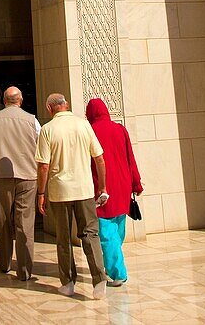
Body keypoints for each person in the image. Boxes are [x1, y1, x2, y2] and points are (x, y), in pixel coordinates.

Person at [35, 93, 108, 299]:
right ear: (66, 105)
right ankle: (99, 279)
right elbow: (100, 159)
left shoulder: (48, 129)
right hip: (84, 189)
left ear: (50, 109)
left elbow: (43, 166)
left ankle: (68, 282)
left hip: (60, 191)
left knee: (64, 238)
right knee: (90, 234)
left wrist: (41, 192)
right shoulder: (84, 125)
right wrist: (101, 187)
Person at [0, 85, 40, 280]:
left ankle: (4, 263)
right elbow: (41, 148)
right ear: (20, 101)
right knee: (25, 223)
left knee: (3, 220)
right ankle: (25, 269)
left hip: (1, 176)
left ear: (4, 101)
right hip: (28, 176)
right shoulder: (32, 121)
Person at [85, 98, 143, 286]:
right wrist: (136, 183)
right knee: (118, 229)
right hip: (123, 186)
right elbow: (130, 158)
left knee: (107, 233)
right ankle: (115, 263)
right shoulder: (120, 129)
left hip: (102, 187)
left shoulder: (90, 131)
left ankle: (118, 273)